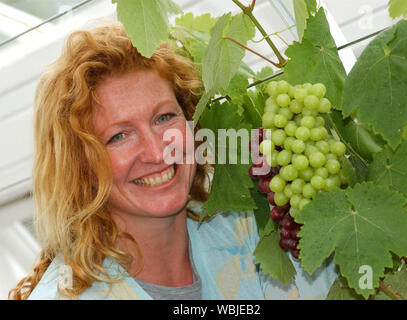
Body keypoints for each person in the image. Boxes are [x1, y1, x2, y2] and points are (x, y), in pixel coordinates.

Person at [9, 24, 336, 300]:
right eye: (119, 136)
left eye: (164, 117)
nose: (157, 151)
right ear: (81, 167)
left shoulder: (252, 228)